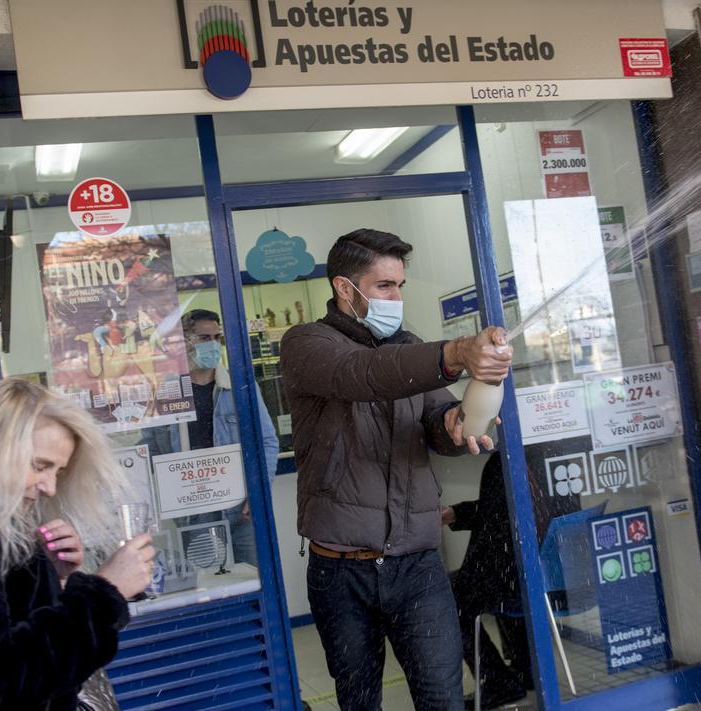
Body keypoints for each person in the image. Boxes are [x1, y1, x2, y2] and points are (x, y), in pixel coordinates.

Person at [280, 228, 512, 710]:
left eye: (400, 285)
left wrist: (454, 425)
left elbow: (435, 425)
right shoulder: (306, 345)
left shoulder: (410, 347)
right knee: (360, 701)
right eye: (385, 286)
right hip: (341, 571)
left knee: (442, 698)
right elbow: (362, 375)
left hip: (418, 565)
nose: (396, 296)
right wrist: (454, 353)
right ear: (346, 289)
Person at [0, 377, 156, 710]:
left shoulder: (0, 525)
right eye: (40, 466)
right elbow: (4, 682)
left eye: (58, 472)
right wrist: (103, 593)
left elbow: (31, 641)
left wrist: (57, 580)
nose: (50, 486)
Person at [444, 443, 584, 709]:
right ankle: (526, 668)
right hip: (562, 578)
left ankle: (497, 682)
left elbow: (495, 528)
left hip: (528, 583)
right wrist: (457, 514)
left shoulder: (507, 460)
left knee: (450, 593)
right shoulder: (558, 450)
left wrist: (457, 516)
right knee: (507, 575)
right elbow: (509, 513)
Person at [144, 308, 279, 565]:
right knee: (208, 584)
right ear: (185, 342)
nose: (214, 345)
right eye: (205, 338)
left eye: (218, 338)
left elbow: (267, 441)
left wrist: (258, 491)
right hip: (195, 513)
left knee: (257, 577)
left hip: (241, 509)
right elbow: (151, 449)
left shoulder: (240, 386)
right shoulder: (166, 394)